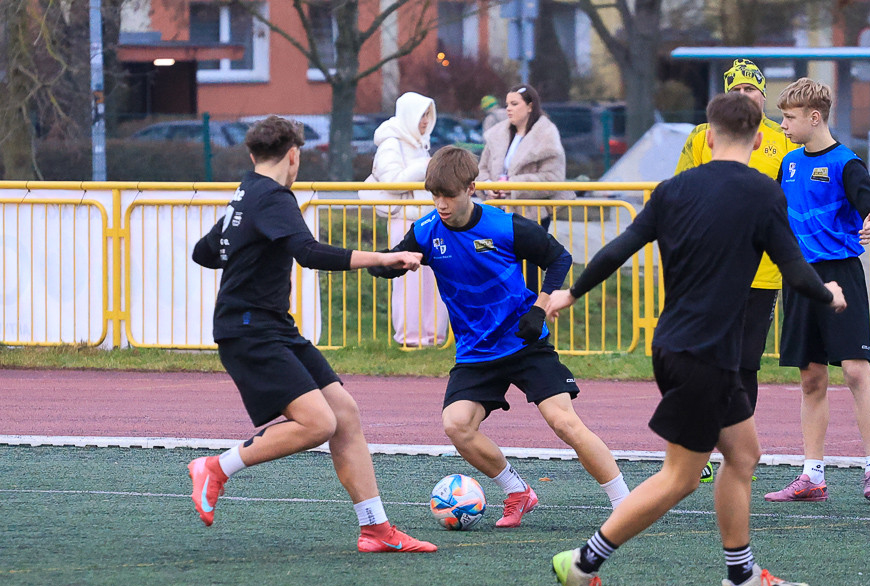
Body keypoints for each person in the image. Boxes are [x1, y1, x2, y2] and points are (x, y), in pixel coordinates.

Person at [546, 92, 847, 586]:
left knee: (744, 456)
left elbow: (620, 247)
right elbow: (795, 269)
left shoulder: (673, 189)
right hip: (703, 353)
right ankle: (583, 561)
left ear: (707, 136)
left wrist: (573, 292)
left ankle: (741, 577)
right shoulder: (762, 192)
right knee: (681, 477)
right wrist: (830, 294)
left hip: (685, 346)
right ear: (758, 140)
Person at [188, 116, 436, 553]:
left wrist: (237, 242)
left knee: (344, 412)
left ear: (252, 155)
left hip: (272, 325)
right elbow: (308, 253)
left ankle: (375, 528)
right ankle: (215, 467)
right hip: (249, 329)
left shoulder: (245, 194)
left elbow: (204, 253)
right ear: (293, 156)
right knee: (319, 422)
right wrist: (381, 258)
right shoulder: (274, 197)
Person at [370, 146, 630, 528]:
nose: (441, 203)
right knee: (456, 425)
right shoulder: (426, 231)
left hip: (525, 342)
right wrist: (388, 264)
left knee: (563, 422)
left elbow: (559, 258)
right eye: (435, 195)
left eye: (450, 195)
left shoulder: (503, 226)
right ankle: (517, 491)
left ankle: (625, 502)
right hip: (476, 352)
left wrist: (540, 308)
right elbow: (392, 261)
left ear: (471, 188)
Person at [764, 78, 870, 504]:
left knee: (856, 370)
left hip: (841, 273)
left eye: (789, 117)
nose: (783, 124)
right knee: (811, 377)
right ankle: (812, 475)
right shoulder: (789, 163)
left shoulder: (846, 163)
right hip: (800, 278)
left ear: (814, 117)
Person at [675, 58, 797, 485]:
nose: (745, 97)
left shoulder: (782, 141)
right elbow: (682, 192)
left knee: (745, 364)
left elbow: (794, 198)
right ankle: (698, 445)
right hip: (713, 269)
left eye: (752, 90)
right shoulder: (700, 136)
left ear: (764, 96)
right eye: (737, 91)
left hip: (762, 272)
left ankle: (733, 448)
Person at [362, 91, 450, 347]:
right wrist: (425, 167)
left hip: (429, 220)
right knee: (408, 280)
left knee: (433, 279)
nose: (424, 121)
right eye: (421, 115)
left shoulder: (421, 143)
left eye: (428, 115)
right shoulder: (392, 143)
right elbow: (392, 183)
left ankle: (433, 335)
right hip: (405, 220)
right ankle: (410, 336)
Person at [477, 84, 573, 294]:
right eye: (507, 104)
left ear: (530, 106)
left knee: (528, 278)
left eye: (514, 104)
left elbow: (552, 178)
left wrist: (512, 185)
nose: (508, 109)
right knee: (496, 273)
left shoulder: (546, 135)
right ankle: (501, 321)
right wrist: (488, 187)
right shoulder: (497, 135)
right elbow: (481, 169)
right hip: (497, 213)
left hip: (531, 216)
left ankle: (529, 322)